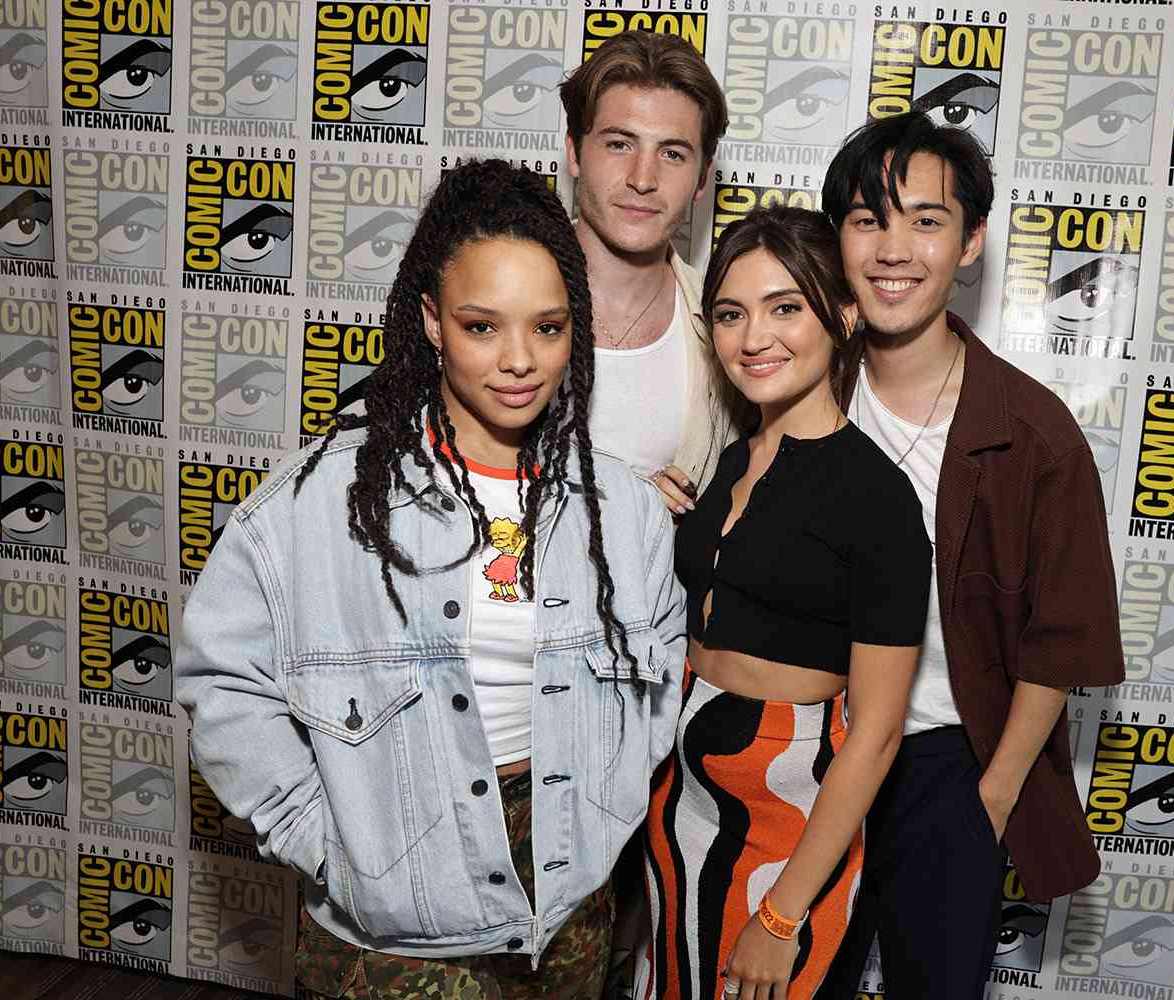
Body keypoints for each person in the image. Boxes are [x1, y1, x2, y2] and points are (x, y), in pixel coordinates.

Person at [177, 160, 685, 1000]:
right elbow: (221, 682)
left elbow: (661, 660)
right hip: (396, 918)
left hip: (567, 894)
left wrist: (611, 801)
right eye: (483, 326)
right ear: (432, 322)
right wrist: (331, 841)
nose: (520, 360)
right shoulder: (325, 500)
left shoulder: (620, 510)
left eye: (549, 327)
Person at [817, 114, 1126, 999]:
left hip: (948, 767)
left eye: (925, 220)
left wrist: (987, 803)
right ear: (839, 237)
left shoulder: (1034, 435)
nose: (893, 248)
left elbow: (1060, 645)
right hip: (814, 752)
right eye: (869, 219)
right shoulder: (800, 389)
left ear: (971, 242)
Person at [638, 205, 931, 1000]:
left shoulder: (878, 498)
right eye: (731, 314)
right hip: (681, 797)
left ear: (841, 317)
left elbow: (873, 734)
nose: (753, 337)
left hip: (788, 806)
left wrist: (781, 914)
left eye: (785, 308)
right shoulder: (731, 460)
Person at [559, 30, 751, 511]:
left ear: (703, 177)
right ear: (574, 152)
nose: (643, 179)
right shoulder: (485, 296)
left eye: (672, 153)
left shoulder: (728, 330)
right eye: (620, 144)